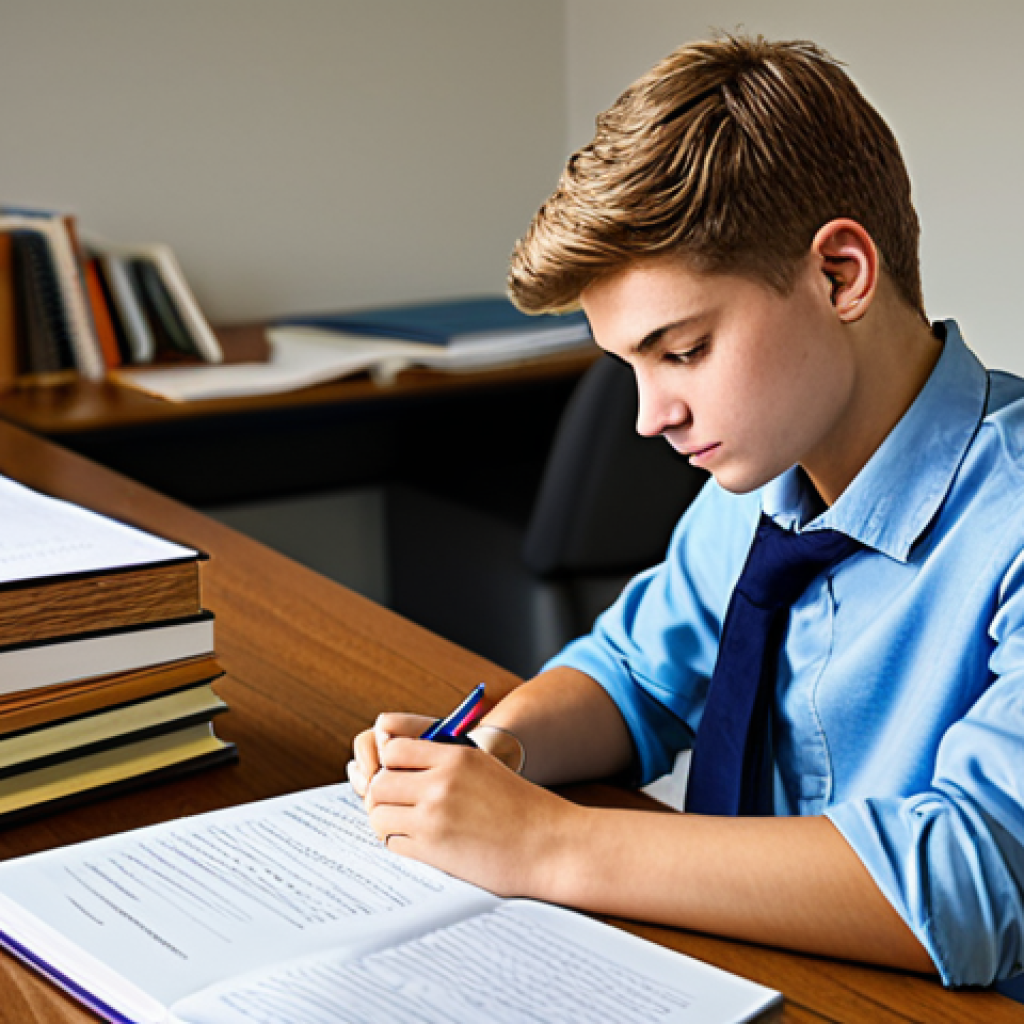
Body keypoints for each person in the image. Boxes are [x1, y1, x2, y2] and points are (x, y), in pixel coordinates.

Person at [348, 34, 1024, 990]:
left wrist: (547, 844)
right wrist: (500, 751)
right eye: (629, 366)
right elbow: (633, 676)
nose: (648, 417)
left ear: (839, 275)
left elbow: (977, 878)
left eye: (685, 350)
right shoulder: (754, 492)